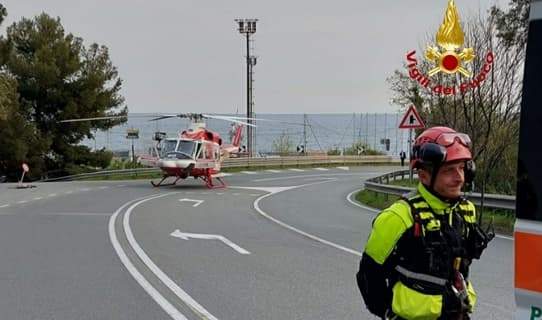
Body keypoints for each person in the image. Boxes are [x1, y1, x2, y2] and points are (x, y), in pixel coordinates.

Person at [356, 126, 493, 320]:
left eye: (462, 168)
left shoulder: (466, 211)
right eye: (449, 171)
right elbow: (369, 275)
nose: (459, 178)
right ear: (424, 175)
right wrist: (388, 313)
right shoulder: (399, 217)